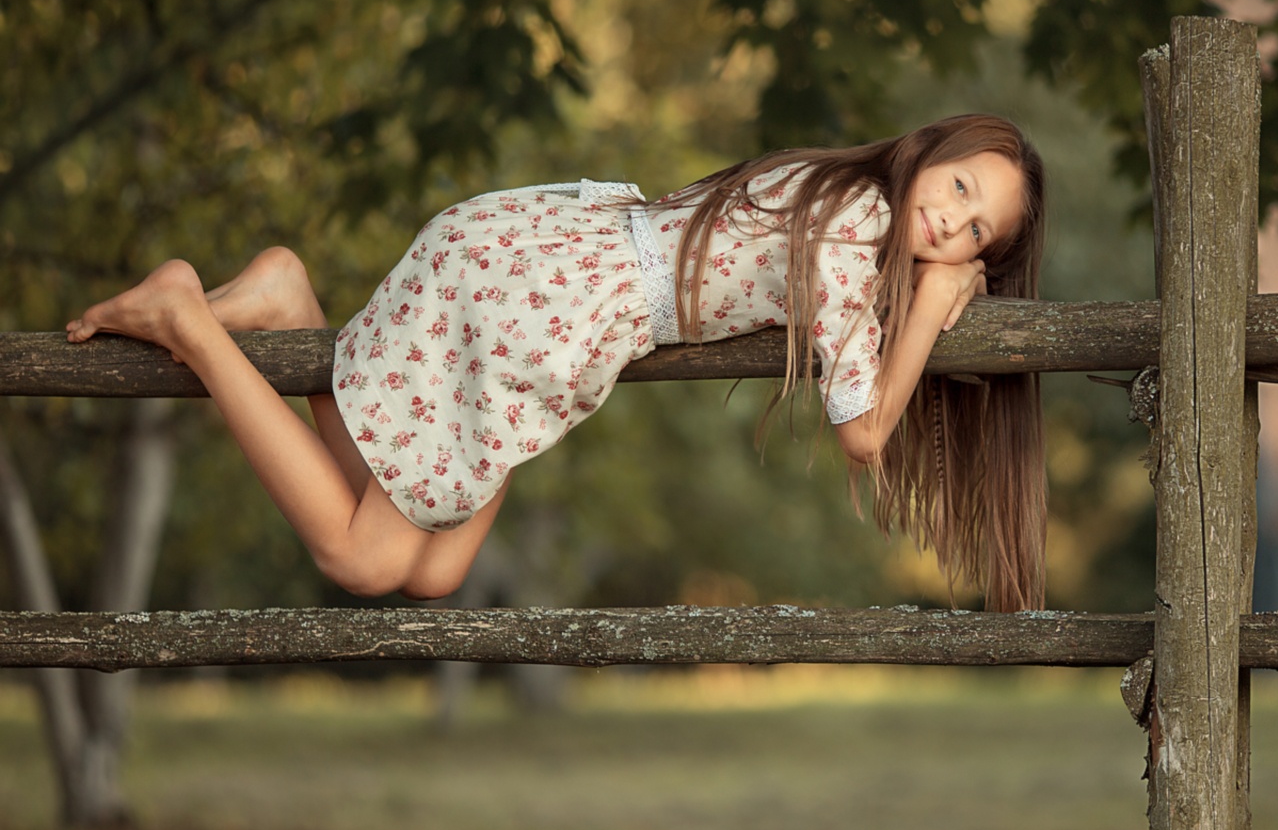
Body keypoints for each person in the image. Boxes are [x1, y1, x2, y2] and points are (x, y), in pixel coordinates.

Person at [67, 114, 1048, 611]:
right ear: (928, 151)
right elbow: (866, 433)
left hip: (549, 279)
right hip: (538, 300)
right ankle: (188, 319)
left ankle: (289, 301)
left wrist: (918, 290)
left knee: (435, 568)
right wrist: (928, 305)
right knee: (362, 557)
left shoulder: (855, 213)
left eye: (974, 232)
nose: (950, 221)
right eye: (959, 186)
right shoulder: (853, 227)